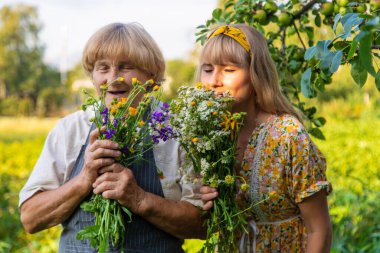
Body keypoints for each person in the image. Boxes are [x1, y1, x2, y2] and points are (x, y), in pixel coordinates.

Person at [19, 22, 205, 253]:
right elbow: (31, 218)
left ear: (151, 74)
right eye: (103, 68)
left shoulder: (176, 131)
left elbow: (202, 224)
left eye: (126, 67)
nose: (113, 78)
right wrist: (85, 178)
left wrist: (138, 199)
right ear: (93, 76)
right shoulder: (70, 130)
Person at [198, 24, 332, 252]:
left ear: (255, 74)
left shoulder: (288, 136)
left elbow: (319, 230)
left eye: (229, 70)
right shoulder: (208, 137)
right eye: (208, 69)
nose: (214, 81)